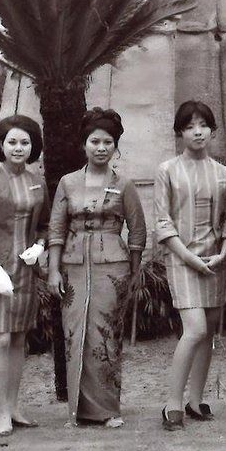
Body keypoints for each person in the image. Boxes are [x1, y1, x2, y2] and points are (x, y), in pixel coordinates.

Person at [48, 108, 146, 428]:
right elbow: (56, 230)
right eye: (95, 141)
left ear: (115, 146)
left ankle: (107, 410)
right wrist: (52, 270)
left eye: (108, 142)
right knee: (74, 334)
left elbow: (138, 230)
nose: (101, 148)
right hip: (72, 267)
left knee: (105, 335)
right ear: (84, 144)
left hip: (112, 268)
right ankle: (76, 412)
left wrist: (132, 272)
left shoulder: (125, 185)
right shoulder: (67, 183)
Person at [0, 115, 50, 436]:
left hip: (25, 269)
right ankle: (2, 411)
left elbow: (44, 225)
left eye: (25, 142)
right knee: (1, 338)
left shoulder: (38, 181)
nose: (19, 148)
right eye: (12, 142)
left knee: (19, 338)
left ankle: (15, 406)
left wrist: (40, 246)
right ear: (1, 146)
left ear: (33, 147)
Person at [156, 100, 226, 431]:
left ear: (212, 131)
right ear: (180, 133)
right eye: (189, 126)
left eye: (203, 125)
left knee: (208, 333)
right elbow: (162, 222)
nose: (197, 131)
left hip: (215, 260)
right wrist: (188, 257)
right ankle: (172, 403)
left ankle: (196, 400)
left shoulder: (224, 173)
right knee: (196, 329)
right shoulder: (167, 170)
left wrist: (224, 253)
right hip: (183, 260)